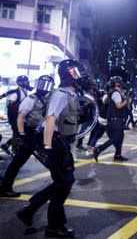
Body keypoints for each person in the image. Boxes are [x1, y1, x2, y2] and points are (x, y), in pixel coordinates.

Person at [16, 59, 91, 238]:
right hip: (55, 143)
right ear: (68, 75)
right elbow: (50, 120)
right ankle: (53, 227)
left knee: (63, 182)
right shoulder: (61, 94)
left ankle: (31, 210)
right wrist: (48, 148)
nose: (79, 76)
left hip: (62, 143)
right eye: (75, 72)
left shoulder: (71, 95)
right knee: (64, 183)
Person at [0, 75, 55, 197]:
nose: (44, 87)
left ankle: (58, 183)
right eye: (42, 83)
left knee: (51, 158)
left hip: (42, 134)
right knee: (17, 162)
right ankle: (4, 188)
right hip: (30, 134)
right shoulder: (30, 99)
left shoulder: (49, 98)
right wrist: (22, 134)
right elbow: (20, 118)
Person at [93, 76, 130, 162]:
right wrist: (126, 101)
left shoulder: (112, 93)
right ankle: (98, 149)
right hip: (115, 120)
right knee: (115, 138)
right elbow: (119, 106)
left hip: (115, 120)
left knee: (120, 137)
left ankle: (118, 155)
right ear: (117, 84)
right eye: (120, 83)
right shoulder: (116, 93)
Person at [0, 75, 33, 155]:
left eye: (26, 81)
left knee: (19, 133)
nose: (26, 83)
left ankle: (6, 145)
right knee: (17, 133)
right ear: (19, 82)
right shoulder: (15, 93)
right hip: (15, 117)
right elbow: (11, 106)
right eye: (24, 81)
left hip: (21, 117)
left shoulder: (25, 91)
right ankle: (14, 150)